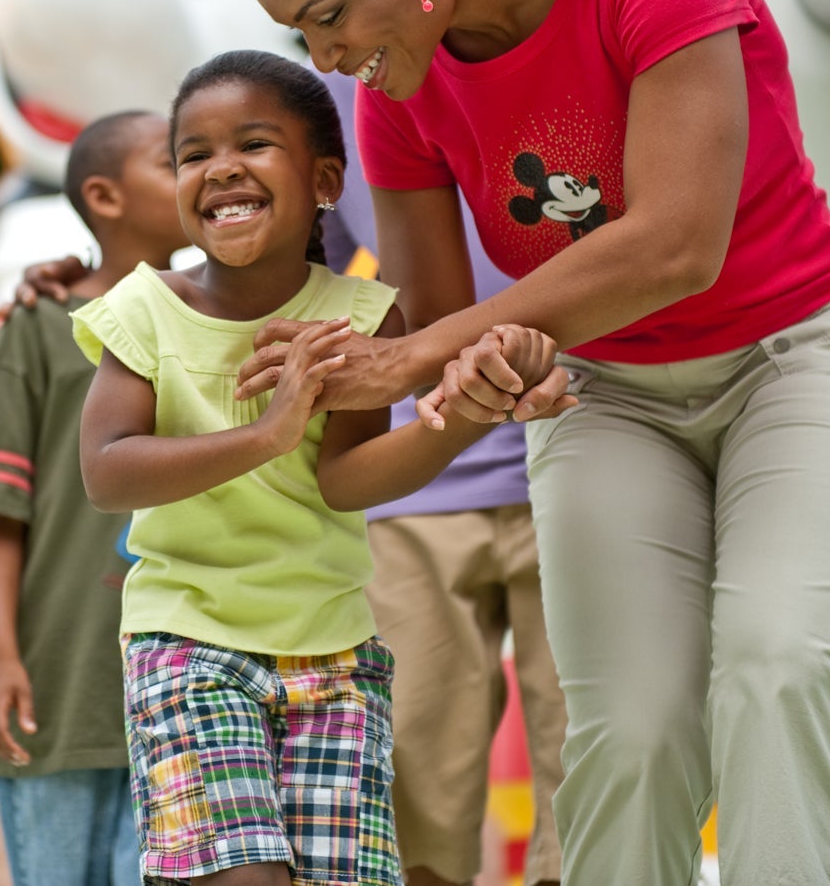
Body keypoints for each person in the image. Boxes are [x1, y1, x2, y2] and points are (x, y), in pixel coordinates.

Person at [231, 0, 830, 885]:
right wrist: (479, 368)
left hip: (800, 359)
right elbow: (439, 324)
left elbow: (676, 244)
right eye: (298, 33)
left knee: (775, 664)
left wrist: (419, 360)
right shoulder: (394, 93)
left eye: (326, 15)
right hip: (608, 395)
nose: (322, 59)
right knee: (629, 731)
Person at [72, 49, 569, 886]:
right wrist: (265, 435)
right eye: (193, 154)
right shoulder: (145, 308)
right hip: (191, 640)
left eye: (254, 145)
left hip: (333, 656)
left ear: (328, 179)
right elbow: (106, 470)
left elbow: (347, 477)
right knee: (243, 874)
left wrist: (462, 415)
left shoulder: (361, 315)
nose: (221, 167)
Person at [320, 67, 564, 886]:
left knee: (594, 759)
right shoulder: (338, 97)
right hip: (418, 474)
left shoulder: (562, 44)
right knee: (414, 764)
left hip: (588, 447)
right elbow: (277, 268)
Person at [0, 110, 187, 886]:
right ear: (105, 196)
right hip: (58, 683)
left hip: (187, 685)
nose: (200, 174)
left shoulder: (218, 319)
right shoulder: (38, 327)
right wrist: (3, 659)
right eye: (174, 160)